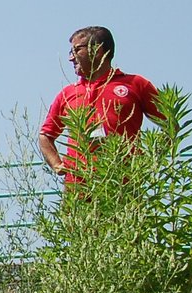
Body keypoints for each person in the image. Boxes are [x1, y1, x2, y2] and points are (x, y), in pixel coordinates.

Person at [37, 26, 162, 185]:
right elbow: (45, 135)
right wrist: (57, 164)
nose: (71, 58)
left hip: (123, 182)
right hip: (78, 185)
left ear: (98, 50)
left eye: (77, 50)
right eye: (71, 52)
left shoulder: (135, 84)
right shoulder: (68, 93)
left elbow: (170, 123)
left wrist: (154, 157)